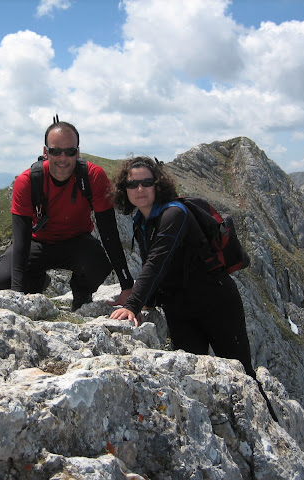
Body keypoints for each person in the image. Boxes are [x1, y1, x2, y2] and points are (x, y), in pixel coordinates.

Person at [108, 156, 278, 421]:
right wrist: (147, 300)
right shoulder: (141, 222)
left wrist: (133, 304)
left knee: (243, 374)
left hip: (217, 304)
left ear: (157, 185)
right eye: (132, 184)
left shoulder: (174, 214)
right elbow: (155, 265)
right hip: (180, 310)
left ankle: (270, 429)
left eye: (146, 182)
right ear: (124, 189)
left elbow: (156, 260)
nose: (139, 189)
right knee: (194, 378)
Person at [0, 118, 134, 311]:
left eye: (70, 151)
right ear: (45, 152)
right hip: (37, 242)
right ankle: (36, 283)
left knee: (99, 262)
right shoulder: (26, 181)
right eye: (56, 151)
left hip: (76, 241)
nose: (63, 158)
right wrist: (17, 295)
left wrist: (127, 286)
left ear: (78, 152)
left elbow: (109, 234)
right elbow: (21, 241)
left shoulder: (93, 176)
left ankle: (81, 296)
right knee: (1, 281)